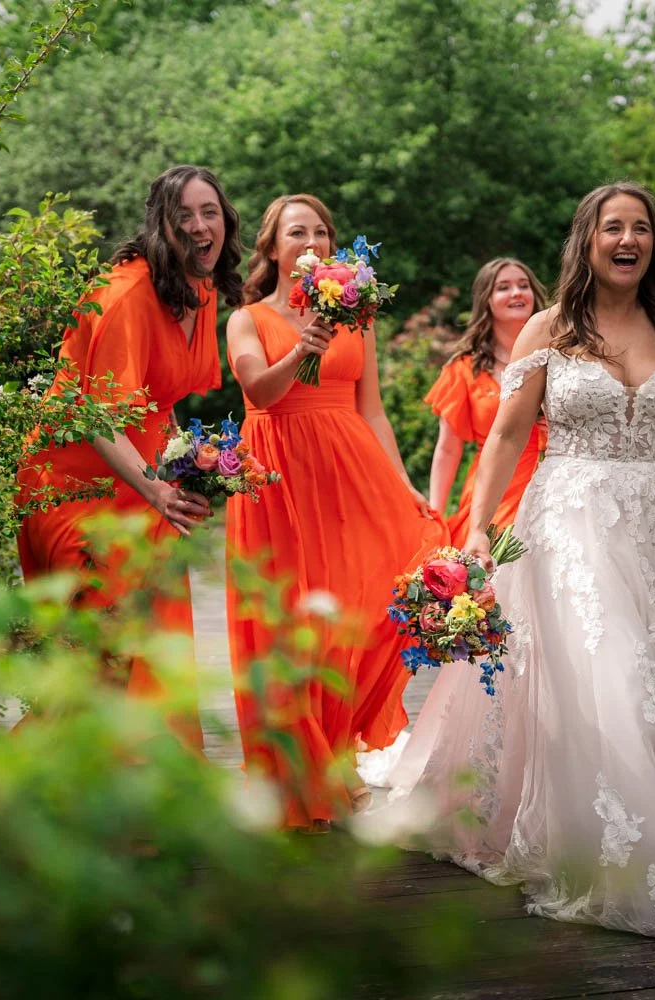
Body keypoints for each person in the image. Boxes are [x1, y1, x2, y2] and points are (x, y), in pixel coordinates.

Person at [381, 182, 655, 942]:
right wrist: (478, 531)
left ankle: (584, 829)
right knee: (615, 671)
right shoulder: (549, 328)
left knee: (648, 675)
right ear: (589, 239)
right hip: (569, 516)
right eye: (613, 227)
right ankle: (627, 864)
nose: (627, 239)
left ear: (654, 243)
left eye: (640, 227)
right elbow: (507, 434)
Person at [225, 194, 448, 831]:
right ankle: (301, 772)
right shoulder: (247, 319)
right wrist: (303, 348)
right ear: (272, 248)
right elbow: (259, 390)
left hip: (350, 473)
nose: (313, 242)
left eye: (322, 231)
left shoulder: (358, 316)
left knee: (362, 609)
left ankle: (338, 748)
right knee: (293, 620)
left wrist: (402, 484)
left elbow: (371, 409)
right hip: (278, 483)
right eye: (298, 232)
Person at [16, 165, 243, 749]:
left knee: (153, 648)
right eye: (184, 216)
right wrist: (157, 488)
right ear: (161, 225)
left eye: (209, 212)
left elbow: (156, 398)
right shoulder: (126, 296)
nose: (199, 227)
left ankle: (151, 786)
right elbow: (97, 415)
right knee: (103, 656)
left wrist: (186, 469)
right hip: (73, 483)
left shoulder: (199, 288)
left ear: (225, 220)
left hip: (140, 479)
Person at [424, 258, 548, 540]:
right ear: (486, 300)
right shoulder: (464, 369)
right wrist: (436, 515)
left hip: (548, 480)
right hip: (491, 486)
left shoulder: (559, 356)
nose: (516, 293)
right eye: (503, 287)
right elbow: (448, 449)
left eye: (523, 285)